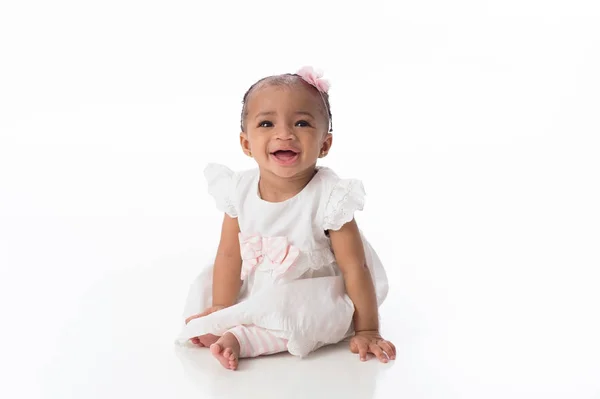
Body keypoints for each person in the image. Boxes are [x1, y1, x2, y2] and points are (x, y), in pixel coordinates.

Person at [176, 66, 396, 370]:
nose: (284, 134)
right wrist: (222, 307)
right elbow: (229, 254)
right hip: (258, 284)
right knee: (209, 292)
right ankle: (232, 322)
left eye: (302, 123)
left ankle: (243, 339)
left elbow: (355, 267)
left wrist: (368, 329)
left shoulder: (330, 197)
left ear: (324, 144)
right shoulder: (238, 190)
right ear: (246, 144)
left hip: (311, 292)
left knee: (300, 319)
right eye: (266, 123)